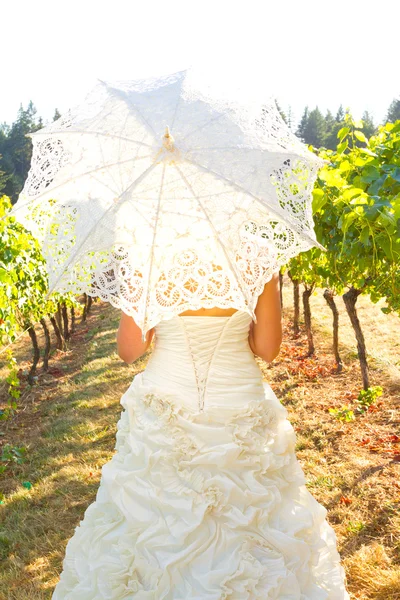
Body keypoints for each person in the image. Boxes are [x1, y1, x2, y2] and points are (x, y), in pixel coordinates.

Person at [52, 271, 350, 599]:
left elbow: (129, 350)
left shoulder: (150, 260)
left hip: (167, 400)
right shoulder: (256, 261)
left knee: (154, 519)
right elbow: (267, 349)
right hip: (237, 400)